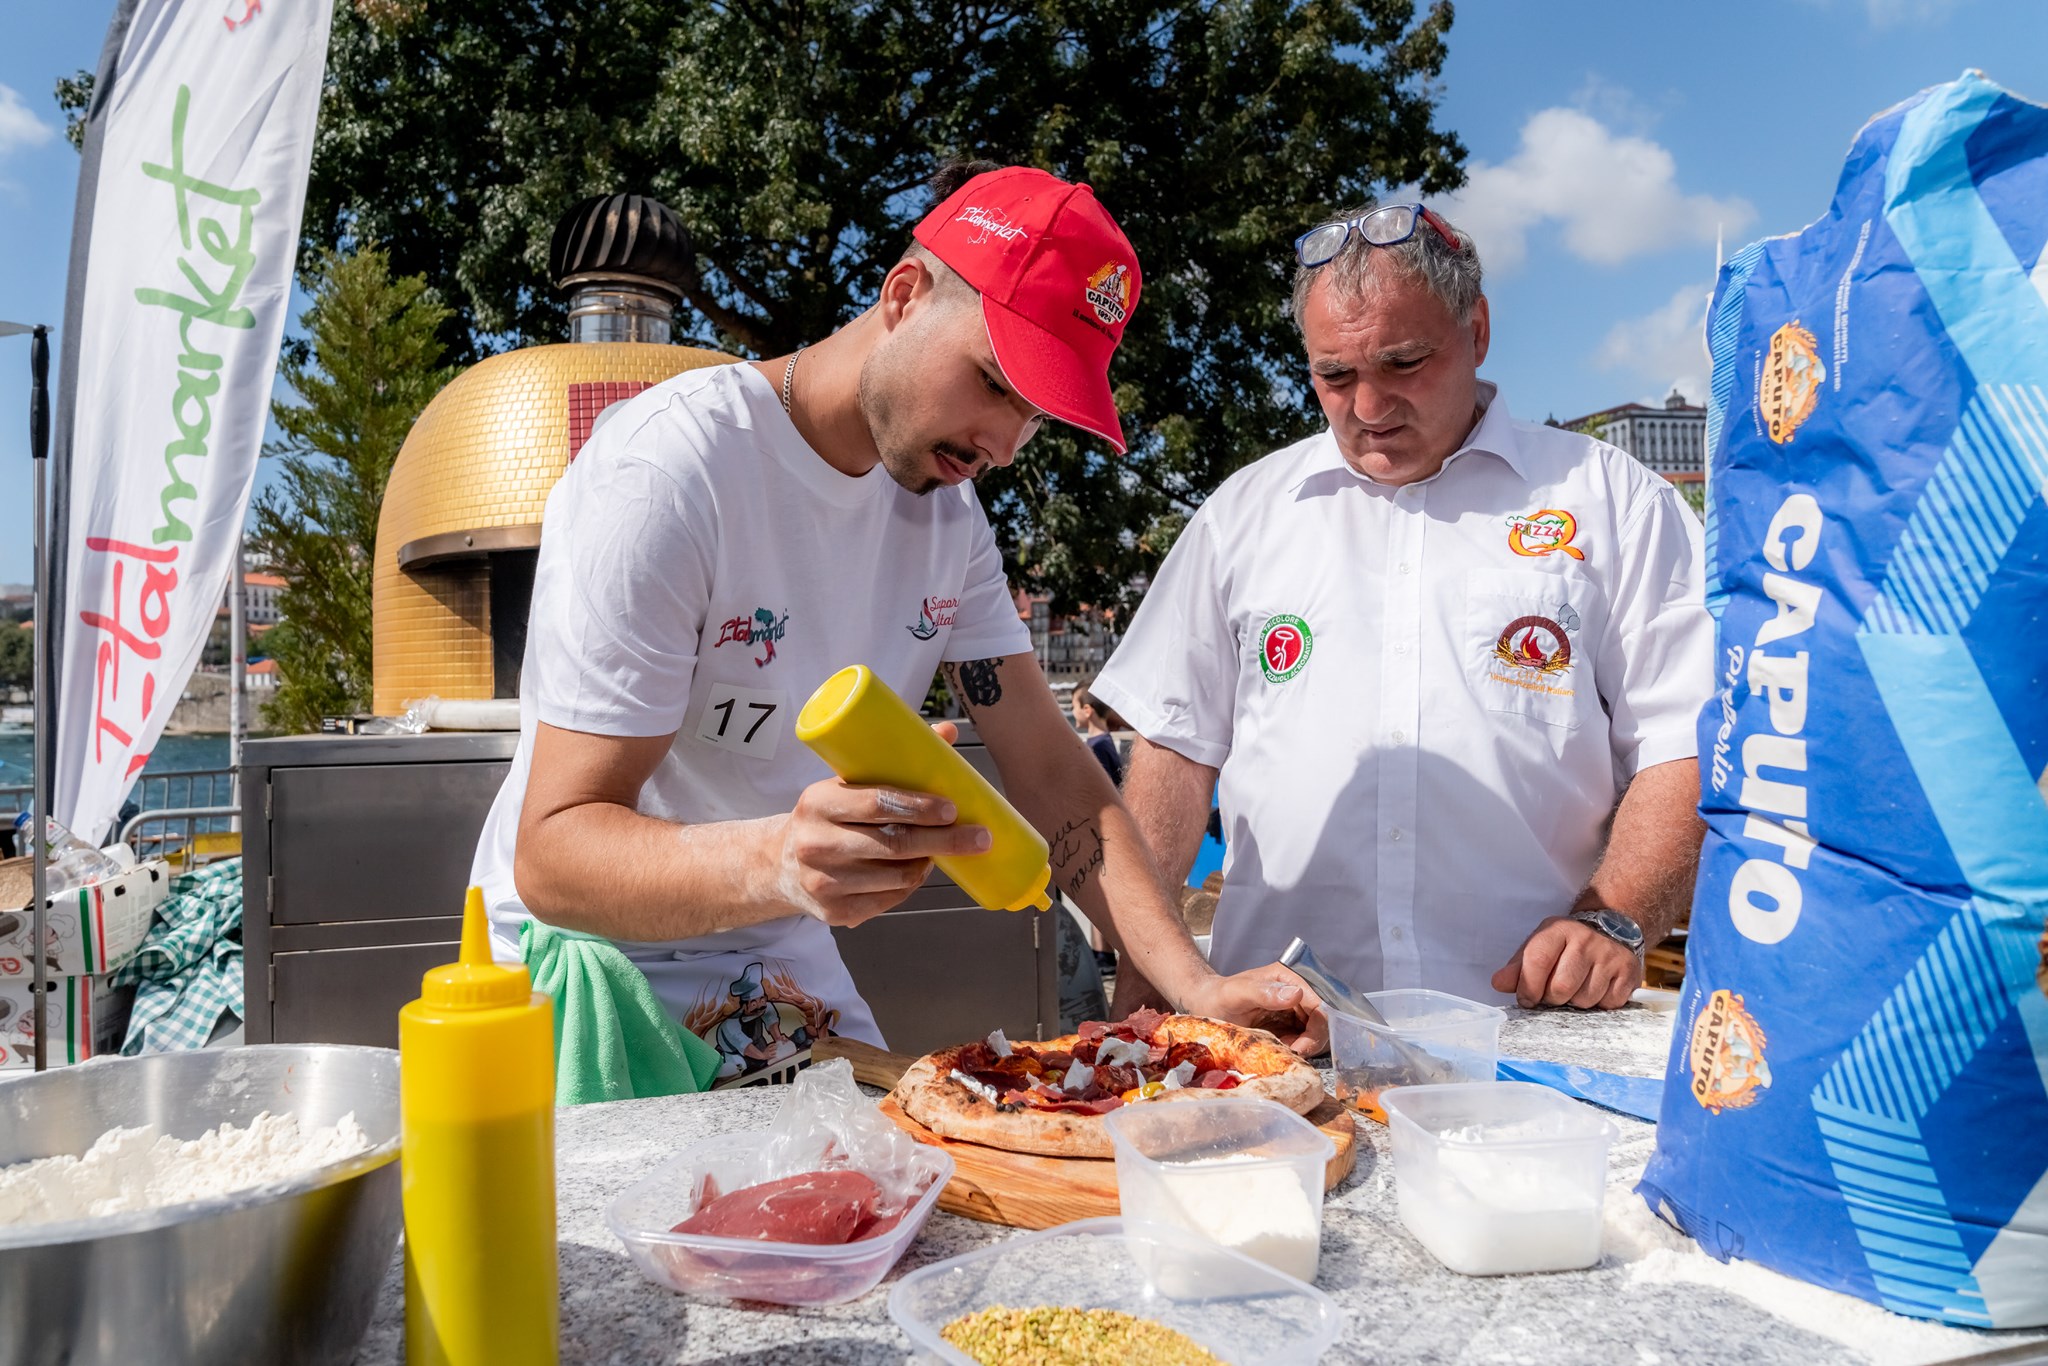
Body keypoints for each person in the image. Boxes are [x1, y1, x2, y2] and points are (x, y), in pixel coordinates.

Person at [471, 162, 1323, 1075]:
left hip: (771, 954)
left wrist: (1195, 987)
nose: (1002, 446)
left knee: (915, 1189)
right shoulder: (671, 472)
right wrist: (777, 860)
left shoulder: (949, 524)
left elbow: (1055, 776)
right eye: (996, 383)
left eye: (1037, 416)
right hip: (580, 970)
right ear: (905, 295)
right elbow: (554, 856)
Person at [1090, 202, 1713, 1013]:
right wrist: (1149, 982)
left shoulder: (1612, 501)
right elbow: (1174, 750)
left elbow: (1687, 739)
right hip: (1274, 1035)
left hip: (1530, 1036)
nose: (1370, 405)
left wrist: (1614, 918)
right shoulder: (1244, 515)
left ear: (1478, 332)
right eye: (1335, 376)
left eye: (1405, 363)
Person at [1071, 682, 1126, 788]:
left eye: (1074, 707)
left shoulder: (1099, 746)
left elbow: (1103, 786)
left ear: (1087, 710)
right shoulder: (1102, 741)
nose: (1073, 712)